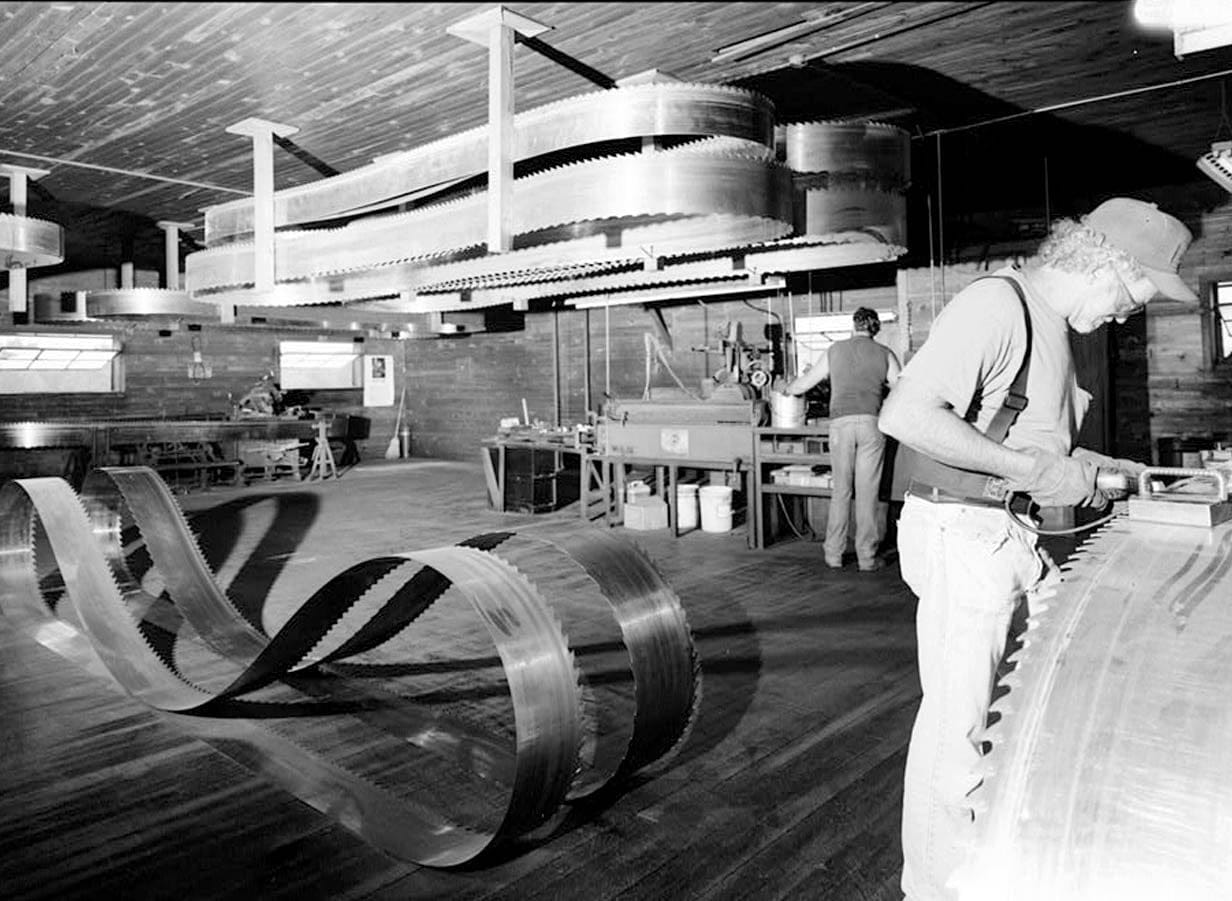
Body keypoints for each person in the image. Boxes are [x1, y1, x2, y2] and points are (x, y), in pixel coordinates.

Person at [876, 197, 1196, 901]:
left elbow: (1029, 445)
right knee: (956, 731)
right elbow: (905, 415)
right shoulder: (999, 305)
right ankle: (931, 888)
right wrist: (1036, 473)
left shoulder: (1055, 326)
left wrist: (1111, 470)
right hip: (964, 532)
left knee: (1029, 698)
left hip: (1008, 531)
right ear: (1107, 264)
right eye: (1135, 296)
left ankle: (994, 865)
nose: (1127, 316)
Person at [783, 306, 901, 571]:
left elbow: (804, 384)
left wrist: (787, 389)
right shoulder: (885, 353)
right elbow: (900, 388)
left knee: (841, 491)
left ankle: (833, 554)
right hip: (871, 425)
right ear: (875, 329)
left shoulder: (835, 350)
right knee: (868, 493)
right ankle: (866, 558)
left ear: (853, 326)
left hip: (840, 426)